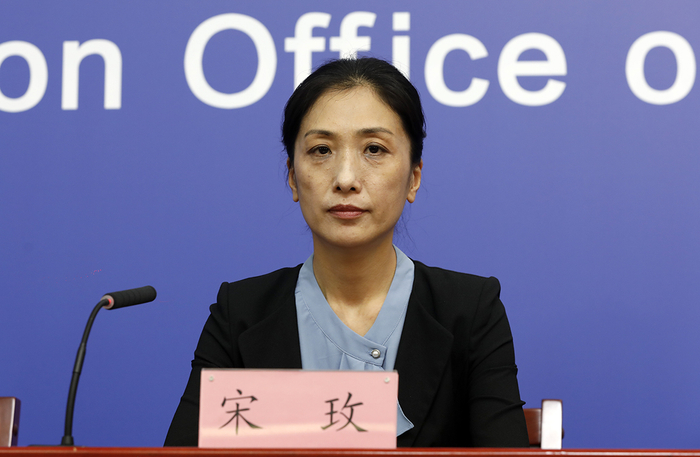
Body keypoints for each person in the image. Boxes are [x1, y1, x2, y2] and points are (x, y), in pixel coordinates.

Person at [164, 57, 528, 447]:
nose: (346, 179)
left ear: (413, 177)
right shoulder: (240, 313)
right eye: (321, 150)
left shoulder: (471, 311)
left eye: (374, 149)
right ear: (292, 178)